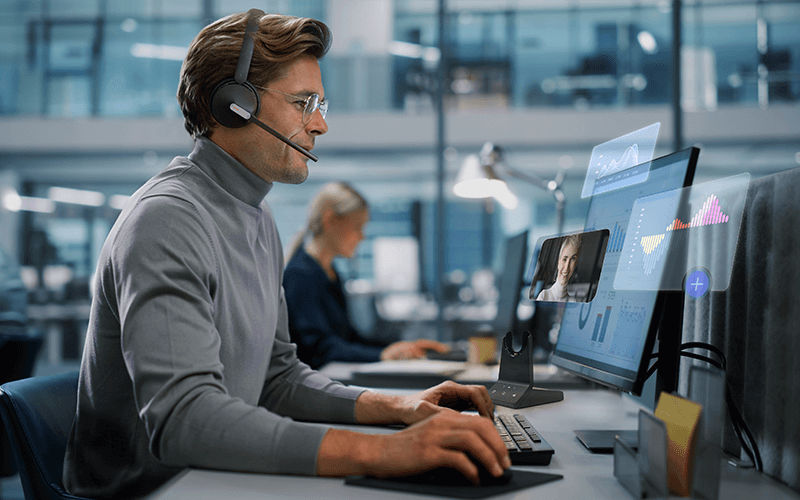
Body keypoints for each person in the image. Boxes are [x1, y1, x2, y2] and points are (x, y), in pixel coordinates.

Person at [63, 10, 508, 498]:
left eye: (319, 103)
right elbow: (185, 421)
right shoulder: (167, 219)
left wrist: (401, 408)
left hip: (214, 478)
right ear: (233, 105)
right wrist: (386, 452)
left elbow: (276, 378)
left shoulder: (257, 217)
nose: (319, 125)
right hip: (156, 490)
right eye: (303, 103)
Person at [283, 182, 448, 368]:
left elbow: (348, 339)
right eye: (357, 227)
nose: (362, 236)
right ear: (330, 220)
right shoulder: (301, 276)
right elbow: (321, 349)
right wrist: (383, 354)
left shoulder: (330, 273)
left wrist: (398, 348)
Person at [536, 234, 581, 302]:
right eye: (564, 259)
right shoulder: (544, 296)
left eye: (572, 259)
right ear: (558, 262)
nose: (566, 267)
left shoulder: (573, 301)